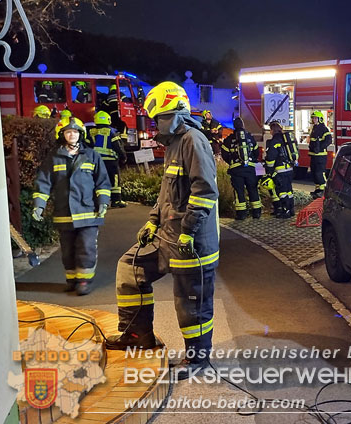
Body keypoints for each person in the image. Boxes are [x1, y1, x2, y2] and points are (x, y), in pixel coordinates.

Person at [107, 82, 219, 381]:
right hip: (166, 236)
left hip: (190, 243)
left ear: (175, 113)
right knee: (130, 270)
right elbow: (166, 192)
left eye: (159, 117)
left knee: (191, 303)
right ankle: (137, 336)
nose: (156, 124)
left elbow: (205, 192)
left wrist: (188, 231)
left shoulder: (194, 141)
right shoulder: (173, 144)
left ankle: (198, 360)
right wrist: (152, 221)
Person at [32, 117, 110, 296]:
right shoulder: (53, 158)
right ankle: (71, 279)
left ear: (80, 134)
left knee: (86, 246)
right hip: (64, 213)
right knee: (67, 250)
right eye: (68, 132)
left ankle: (84, 280)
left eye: (75, 132)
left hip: (88, 212)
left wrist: (103, 202)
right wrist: (39, 205)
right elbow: (43, 183)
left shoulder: (91, 155)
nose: (72, 135)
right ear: (62, 135)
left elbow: (102, 182)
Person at [221, 116, 261, 219]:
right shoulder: (250, 137)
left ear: (234, 126)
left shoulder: (229, 139)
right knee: (253, 189)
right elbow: (257, 152)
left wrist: (232, 162)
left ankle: (241, 214)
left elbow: (224, 154)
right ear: (243, 125)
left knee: (239, 191)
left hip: (236, 170)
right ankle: (256, 212)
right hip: (251, 169)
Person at [90, 111, 128, 208]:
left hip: (95, 161)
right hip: (110, 161)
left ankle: (97, 202)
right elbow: (118, 146)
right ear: (108, 120)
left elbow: (87, 146)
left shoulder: (91, 132)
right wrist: (123, 156)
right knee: (114, 181)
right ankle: (116, 201)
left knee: (97, 180)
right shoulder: (112, 131)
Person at [265, 121, 294, 218]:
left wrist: (269, 169)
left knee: (282, 192)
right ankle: (291, 210)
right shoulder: (285, 139)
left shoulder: (274, 141)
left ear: (272, 130)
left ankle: (285, 211)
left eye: (270, 130)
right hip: (289, 169)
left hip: (280, 171)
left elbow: (271, 158)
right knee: (289, 191)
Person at [307, 111, 332, 198]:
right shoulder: (314, 128)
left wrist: (320, 147)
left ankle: (323, 190)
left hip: (321, 155)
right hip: (314, 155)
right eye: (313, 118)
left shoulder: (323, 129)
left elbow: (329, 140)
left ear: (320, 119)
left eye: (315, 118)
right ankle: (317, 190)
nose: (314, 120)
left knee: (319, 173)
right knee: (314, 173)